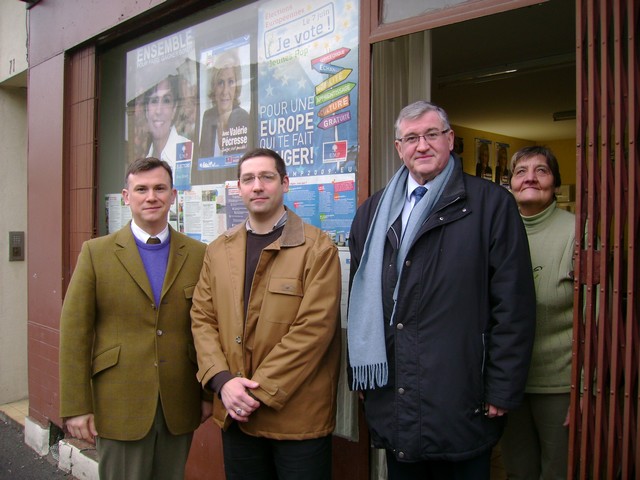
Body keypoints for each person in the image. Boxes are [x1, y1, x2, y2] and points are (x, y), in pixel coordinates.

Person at [347, 100, 536, 479]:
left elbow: (513, 305)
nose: (422, 145)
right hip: (396, 395)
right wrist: (363, 374)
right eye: (411, 138)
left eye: (432, 134)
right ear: (398, 148)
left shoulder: (490, 205)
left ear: (450, 140)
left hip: (462, 395)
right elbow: (359, 299)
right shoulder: (372, 211)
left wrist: (502, 387)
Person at [190, 148, 341, 479]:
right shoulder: (218, 250)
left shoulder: (317, 249)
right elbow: (202, 319)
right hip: (237, 416)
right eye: (248, 179)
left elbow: (314, 331)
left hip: (297, 419)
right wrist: (223, 382)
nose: (257, 186)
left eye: (267, 177)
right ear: (239, 188)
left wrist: (251, 392)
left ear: (284, 183)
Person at [59, 157, 209, 480]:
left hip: (179, 403)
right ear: (127, 197)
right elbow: (75, 333)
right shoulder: (95, 254)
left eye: (159, 188)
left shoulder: (198, 255)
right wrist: (76, 405)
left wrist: (209, 394)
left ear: (173, 195)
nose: (151, 196)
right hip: (119, 403)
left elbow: (208, 327)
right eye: (141, 189)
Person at [500, 146, 575, 480]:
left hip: (560, 384)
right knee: (517, 472)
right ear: (510, 183)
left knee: (558, 473)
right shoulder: (496, 231)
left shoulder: (576, 232)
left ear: (556, 184)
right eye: (521, 171)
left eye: (541, 171)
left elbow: (599, 320)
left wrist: (585, 389)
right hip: (509, 384)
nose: (530, 177)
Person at [195, 48, 252, 185]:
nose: (225, 91)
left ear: (236, 86)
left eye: (231, 82)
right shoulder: (208, 117)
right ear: (214, 87)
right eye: (220, 83)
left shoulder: (243, 117)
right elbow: (203, 163)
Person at [145, 75, 193, 174]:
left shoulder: (190, 152)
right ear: (146, 110)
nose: (159, 110)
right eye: (154, 101)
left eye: (166, 100)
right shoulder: (144, 162)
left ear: (174, 109)